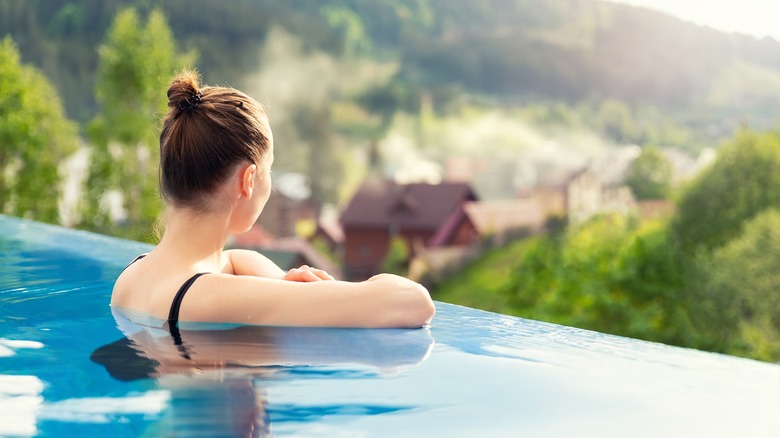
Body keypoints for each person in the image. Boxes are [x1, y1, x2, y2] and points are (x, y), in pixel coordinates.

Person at [111, 70, 435, 329]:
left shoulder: (133, 277)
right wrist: (297, 291)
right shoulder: (212, 296)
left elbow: (231, 260)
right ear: (248, 180)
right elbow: (412, 303)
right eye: (270, 169)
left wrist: (281, 280)